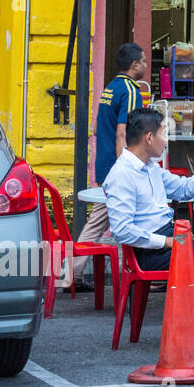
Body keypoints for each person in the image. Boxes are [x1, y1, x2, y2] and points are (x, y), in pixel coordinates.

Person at [104, 108, 194, 355]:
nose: (167, 140)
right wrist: (166, 242)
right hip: (150, 251)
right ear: (149, 138)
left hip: (172, 239)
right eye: (164, 134)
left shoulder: (150, 167)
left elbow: (183, 189)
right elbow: (121, 230)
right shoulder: (122, 174)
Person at [69, 43, 147, 289]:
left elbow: (96, 128)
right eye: (144, 61)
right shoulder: (131, 91)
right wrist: (129, 167)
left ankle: (71, 273)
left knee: (99, 218)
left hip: (104, 163)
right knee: (137, 216)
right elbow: (124, 133)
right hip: (117, 167)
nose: (145, 65)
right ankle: (149, 273)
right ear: (135, 65)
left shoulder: (110, 88)